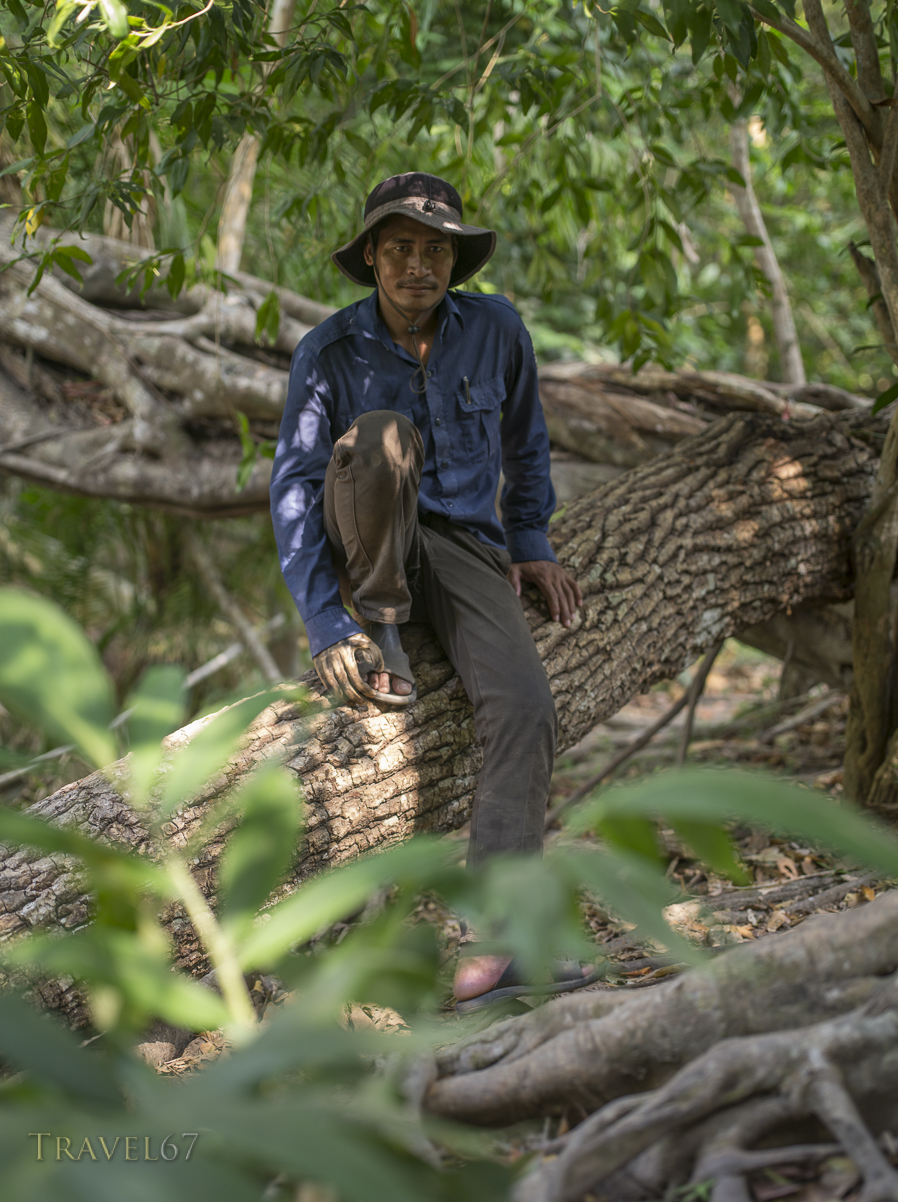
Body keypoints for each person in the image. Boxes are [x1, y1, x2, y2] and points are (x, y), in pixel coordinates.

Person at [270, 172, 589, 1010]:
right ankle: (385, 630)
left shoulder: (497, 330)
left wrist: (531, 542)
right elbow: (295, 487)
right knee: (382, 437)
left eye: (435, 249)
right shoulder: (328, 351)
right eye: (401, 248)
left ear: (455, 259)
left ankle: (501, 944)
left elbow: (526, 443)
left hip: (465, 550)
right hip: (367, 547)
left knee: (526, 707)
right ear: (373, 256)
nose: (418, 265)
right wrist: (326, 620)